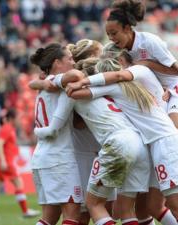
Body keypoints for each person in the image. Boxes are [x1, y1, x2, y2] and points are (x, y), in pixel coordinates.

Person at [66, 58, 178, 225]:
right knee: (149, 207)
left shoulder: (115, 87)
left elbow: (77, 94)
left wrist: (69, 83)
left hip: (164, 144)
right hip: (153, 146)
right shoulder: (139, 83)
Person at [34, 57, 151, 225]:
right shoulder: (112, 91)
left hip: (117, 144)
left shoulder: (79, 93)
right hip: (140, 145)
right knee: (126, 210)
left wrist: (47, 83)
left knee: (93, 204)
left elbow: (63, 123)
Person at [105, 0, 178, 184]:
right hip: (158, 90)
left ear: (127, 28)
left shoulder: (149, 41)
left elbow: (176, 71)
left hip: (176, 86)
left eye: (114, 33)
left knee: (173, 128)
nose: (111, 38)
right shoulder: (120, 50)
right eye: (108, 34)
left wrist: (146, 63)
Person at [30, 43, 83, 225]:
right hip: (59, 158)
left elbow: (34, 82)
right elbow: (76, 75)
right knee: (73, 213)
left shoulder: (42, 86)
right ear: (57, 63)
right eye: (69, 58)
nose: (73, 62)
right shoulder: (58, 80)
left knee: (49, 218)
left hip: (42, 157)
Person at [0, 109, 40, 220]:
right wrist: (3, 160)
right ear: (12, 118)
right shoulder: (7, 128)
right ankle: (25, 211)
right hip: (6, 161)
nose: (19, 120)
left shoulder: (8, 128)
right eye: (18, 118)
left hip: (1, 161)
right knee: (19, 184)